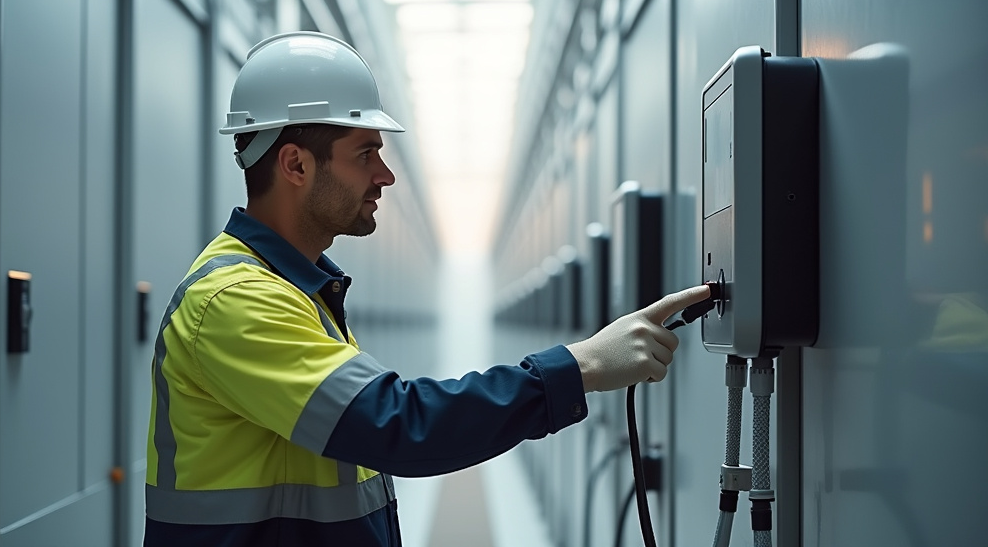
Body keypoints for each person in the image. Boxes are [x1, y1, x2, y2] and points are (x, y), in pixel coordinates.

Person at [143, 31, 710, 547]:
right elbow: (398, 425)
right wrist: (580, 365)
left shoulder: (296, 288)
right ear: (294, 164)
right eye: (366, 153)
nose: (385, 175)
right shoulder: (234, 301)